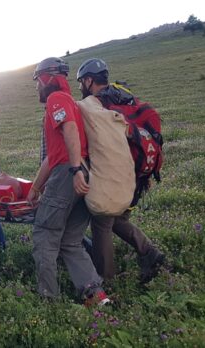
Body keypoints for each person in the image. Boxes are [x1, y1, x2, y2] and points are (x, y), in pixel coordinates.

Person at [27, 57, 109, 306]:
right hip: (82, 170)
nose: (37, 87)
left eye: (38, 80)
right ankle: (95, 296)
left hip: (69, 174)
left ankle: (48, 300)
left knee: (45, 235)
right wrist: (35, 188)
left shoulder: (57, 99)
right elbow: (53, 154)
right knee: (70, 241)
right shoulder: (71, 102)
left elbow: (70, 130)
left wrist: (74, 171)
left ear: (48, 77)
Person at [76, 58, 165, 283]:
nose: (79, 87)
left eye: (80, 82)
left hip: (119, 173)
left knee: (103, 220)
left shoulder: (98, 104)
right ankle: (149, 253)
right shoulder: (123, 96)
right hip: (140, 174)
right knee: (118, 219)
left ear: (88, 81)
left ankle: (105, 279)